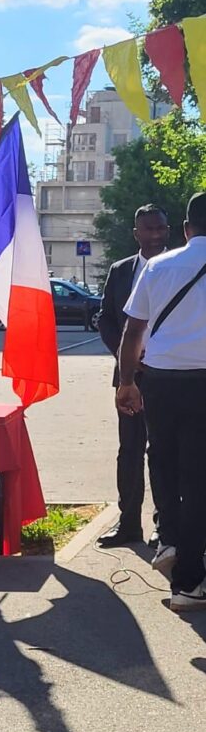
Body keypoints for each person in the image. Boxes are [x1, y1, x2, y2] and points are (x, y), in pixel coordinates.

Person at [118, 192, 206, 610]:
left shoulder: (157, 267)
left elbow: (132, 330)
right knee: (199, 478)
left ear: (186, 229)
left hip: (160, 379)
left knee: (163, 461)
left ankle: (168, 538)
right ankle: (189, 581)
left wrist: (126, 383)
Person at [97, 204, 169, 548]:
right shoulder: (121, 270)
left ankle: (163, 525)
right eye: (148, 229)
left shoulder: (177, 268)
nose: (155, 235)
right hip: (129, 378)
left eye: (160, 228)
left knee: (164, 452)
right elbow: (106, 319)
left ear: (169, 230)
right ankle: (128, 525)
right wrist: (125, 355)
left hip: (167, 375)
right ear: (136, 233)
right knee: (130, 451)